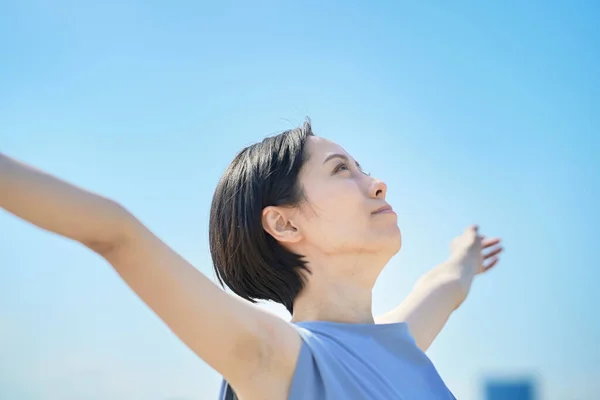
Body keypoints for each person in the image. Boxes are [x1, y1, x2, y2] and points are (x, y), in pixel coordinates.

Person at [0, 119, 502, 399]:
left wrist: (464, 259)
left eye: (362, 168)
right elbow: (117, 234)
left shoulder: (402, 342)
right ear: (284, 223)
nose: (375, 182)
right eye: (341, 169)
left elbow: (445, 287)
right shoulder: (280, 361)